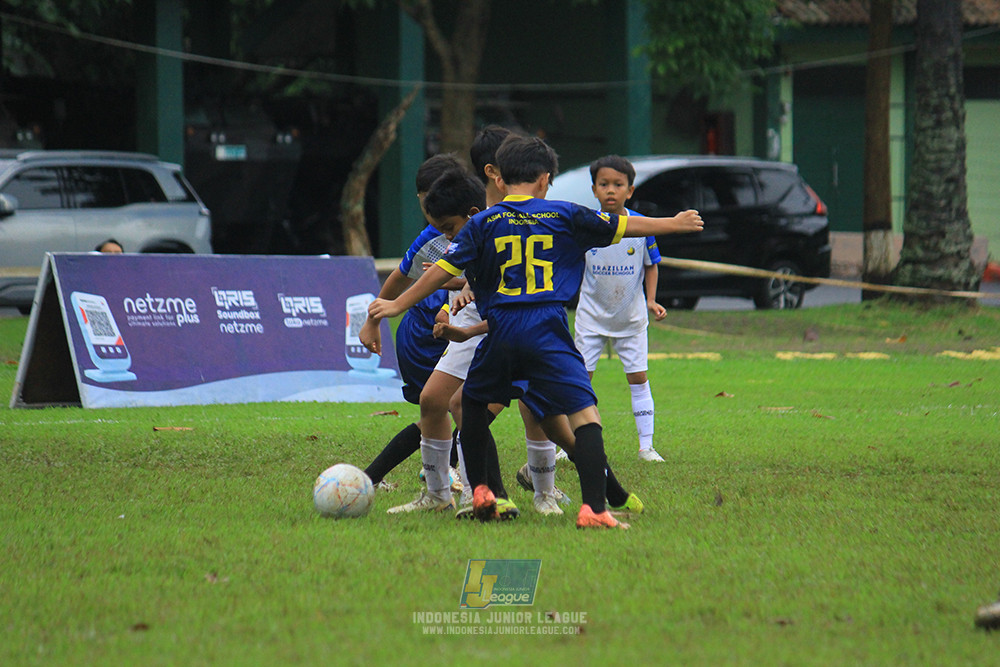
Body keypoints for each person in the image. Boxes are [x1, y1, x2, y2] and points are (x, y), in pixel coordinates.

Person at [368, 134, 703, 529]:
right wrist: (674, 224)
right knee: (584, 416)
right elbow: (624, 225)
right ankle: (594, 509)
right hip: (546, 327)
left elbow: (445, 269)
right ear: (544, 179)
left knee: (469, 408)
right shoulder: (564, 214)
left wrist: (398, 304)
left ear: (500, 177)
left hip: (502, 329)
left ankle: (484, 492)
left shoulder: (482, 223)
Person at [358, 154, 465, 496]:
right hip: (423, 337)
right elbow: (400, 278)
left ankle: (443, 471)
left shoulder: (475, 226)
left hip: (461, 333)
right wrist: (373, 320)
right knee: (448, 408)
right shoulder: (431, 239)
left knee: (461, 407)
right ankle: (446, 476)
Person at [574, 155, 668, 462]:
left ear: (630, 190)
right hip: (591, 317)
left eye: (618, 184)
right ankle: (568, 445)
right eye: (604, 184)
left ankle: (646, 446)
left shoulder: (641, 228)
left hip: (630, 318)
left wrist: (651, 299)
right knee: (579, 379)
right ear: (594, 189)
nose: (610, 190)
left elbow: (652, 266)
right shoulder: (586, 227)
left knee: (638, 378)